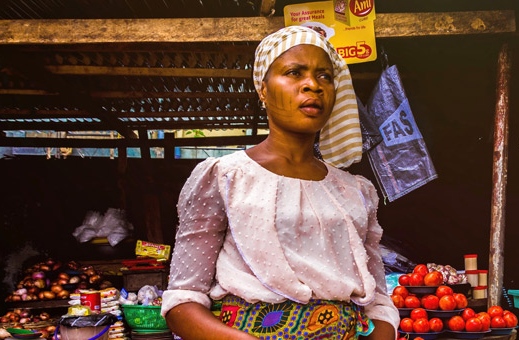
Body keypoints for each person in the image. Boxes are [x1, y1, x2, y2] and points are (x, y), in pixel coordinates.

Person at [161, 26, 399, 340]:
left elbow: (378, 300)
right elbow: (183, 301)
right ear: (263, 89)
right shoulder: (224, 177)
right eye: (294, 72)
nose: (313, 85)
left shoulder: (354, 190)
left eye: (325, 76)